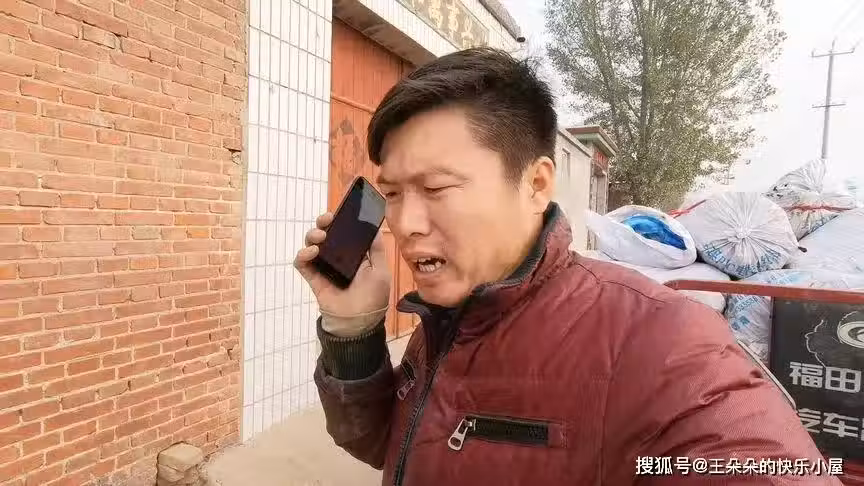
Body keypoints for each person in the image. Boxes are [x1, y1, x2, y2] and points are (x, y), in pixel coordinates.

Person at [293, 47, 839, 485]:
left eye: (436, 188)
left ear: (536, 184)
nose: (404, 222)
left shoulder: (664, 343)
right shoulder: (452, 314)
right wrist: (353, 328)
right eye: (391, 193)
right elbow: (389, 443)